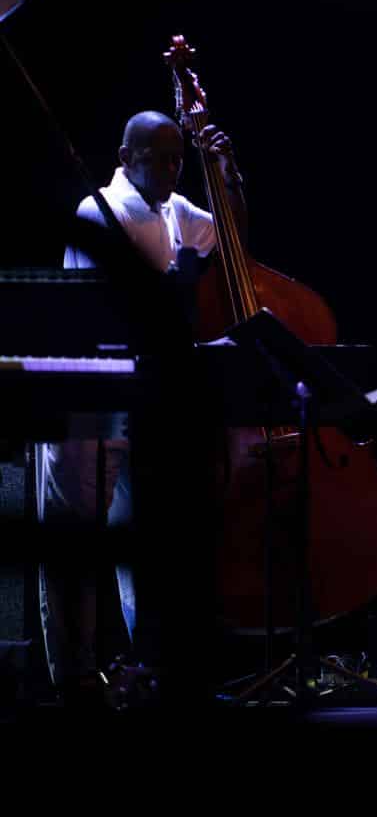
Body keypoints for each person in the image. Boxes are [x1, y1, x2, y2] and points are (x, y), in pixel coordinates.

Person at [38, 109, 243, 706]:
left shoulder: (174, 209)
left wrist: (226, 176)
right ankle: (74, 679)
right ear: (126, 158)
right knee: (76, 543)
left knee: (143, 544)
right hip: (89, 400)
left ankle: (148, 672)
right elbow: (107, 315)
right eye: (160, 158)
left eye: (179, 158)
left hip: (144, 401)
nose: (173, 169)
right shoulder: (98, 211)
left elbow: (230, 237)